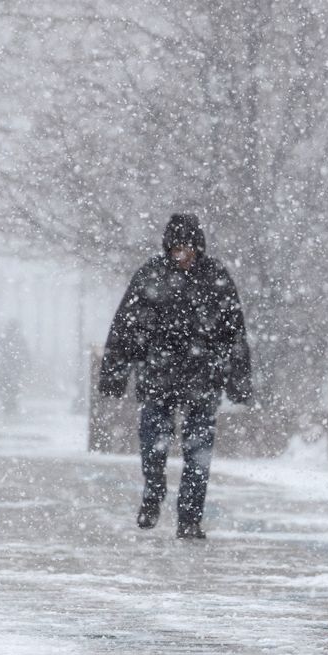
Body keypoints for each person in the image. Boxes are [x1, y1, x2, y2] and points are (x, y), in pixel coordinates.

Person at [97, 213, 254, 540]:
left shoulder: (215, 278)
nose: (182, 254)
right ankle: (153, 493)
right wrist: (114, 373)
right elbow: (125, 327)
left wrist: (238, 381)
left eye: (188, 248)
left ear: (198, 248)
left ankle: (190, 519)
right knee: (153, 446)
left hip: (203, 380)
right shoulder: (150, 275)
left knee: (198, 455)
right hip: (158, 377)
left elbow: (234, 332)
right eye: (176, 248)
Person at [0, 319, 30, 415]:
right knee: (12, 386)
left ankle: (8, 402)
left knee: (7, 385)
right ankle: (11, 402)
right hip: (13, 366)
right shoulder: (18, 338)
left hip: (8, 366)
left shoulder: (5, 338)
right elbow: (25, 352)